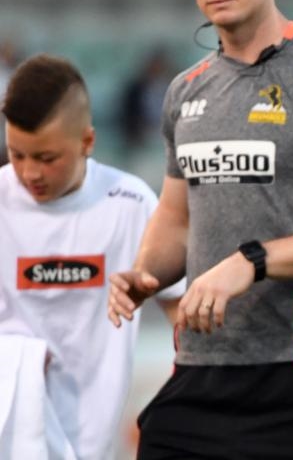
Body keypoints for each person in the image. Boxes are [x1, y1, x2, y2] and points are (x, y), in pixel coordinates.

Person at [106, 0, 293, 460]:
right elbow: (176, 216)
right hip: (198, 368)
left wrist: (250, 261)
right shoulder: (184, 90)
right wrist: (145, 273)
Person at [0, 54, 168, 459]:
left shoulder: (131, 204)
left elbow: (182, 313)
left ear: (87, 142)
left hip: (94, 442)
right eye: (17, 155)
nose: (30, 173)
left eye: (46, 158)